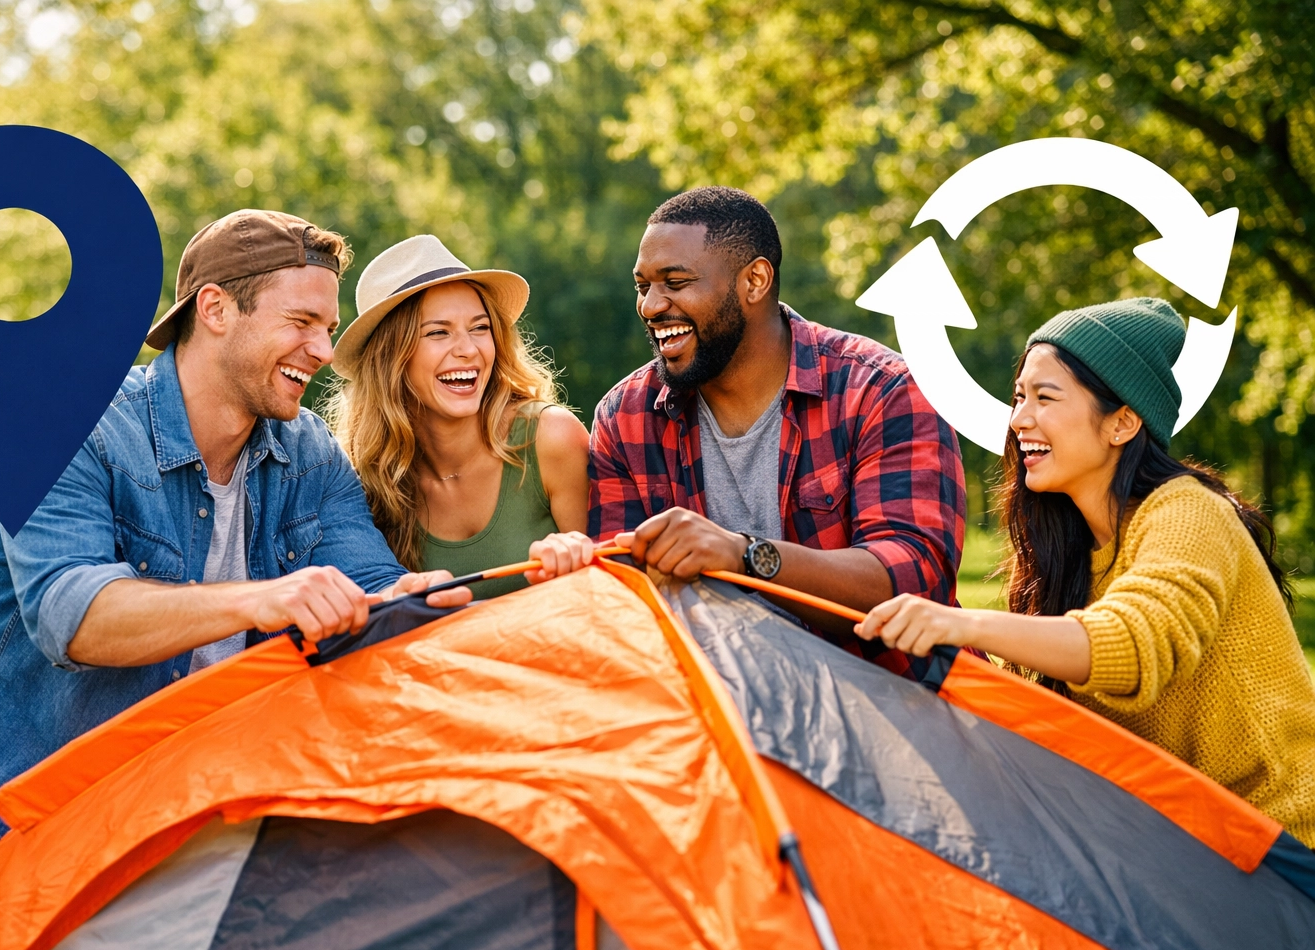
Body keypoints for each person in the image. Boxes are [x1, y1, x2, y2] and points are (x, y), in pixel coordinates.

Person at [0, 210, 468, 906]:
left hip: (155, 796)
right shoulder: (70, 422)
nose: (324, 350)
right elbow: (72, 615)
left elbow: (371, 587)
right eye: (301, 322)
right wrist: (261, 598)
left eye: (329, 327)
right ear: (216, 308)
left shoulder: (307, 450)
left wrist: (417, 596)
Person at [856, 297, 1315, 846]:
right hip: (1180, 855)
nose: (1019, 418)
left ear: (1122, 422)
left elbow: (1133, 643)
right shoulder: (1070, 553)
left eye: (1046, 398)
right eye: (1019, 396)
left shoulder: (1188, 514)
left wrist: (963, 625)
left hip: (1280, 852)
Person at [587, 186, 966, 678]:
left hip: (903, 706)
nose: (651, 306)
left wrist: (744, 556)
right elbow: (620, 601)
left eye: (675, 282)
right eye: (643, 287)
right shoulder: (625, 417)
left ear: (755, 280)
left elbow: (911, 582)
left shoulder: (882, 390)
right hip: (724, 719)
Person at [325, 235, 594, 598]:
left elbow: (609, 588)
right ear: (389, 359)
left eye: (480, 328)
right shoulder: (371, 482)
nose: (468, 350)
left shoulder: (549, 438)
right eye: (438, 332)